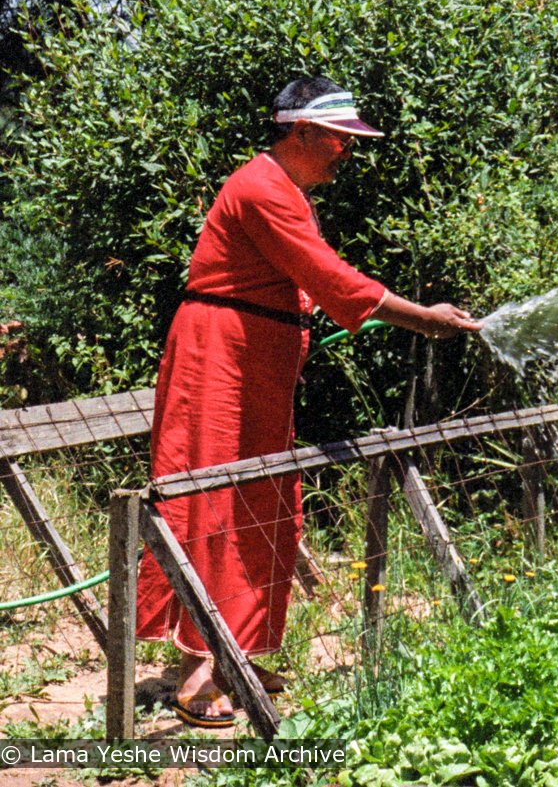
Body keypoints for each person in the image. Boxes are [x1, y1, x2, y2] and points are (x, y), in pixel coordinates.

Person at [135, 76, 482, 727]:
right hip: (218, 359)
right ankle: (196, 666)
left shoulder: (285, 192)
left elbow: (312, 285)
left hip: (256, 365)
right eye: (338, 138)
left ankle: (232, 648)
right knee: (208, 499)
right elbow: (332, 279)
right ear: (300, 132)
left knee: (264, 502)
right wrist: (425, 319)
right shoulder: (263, 188)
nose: (345, 151)